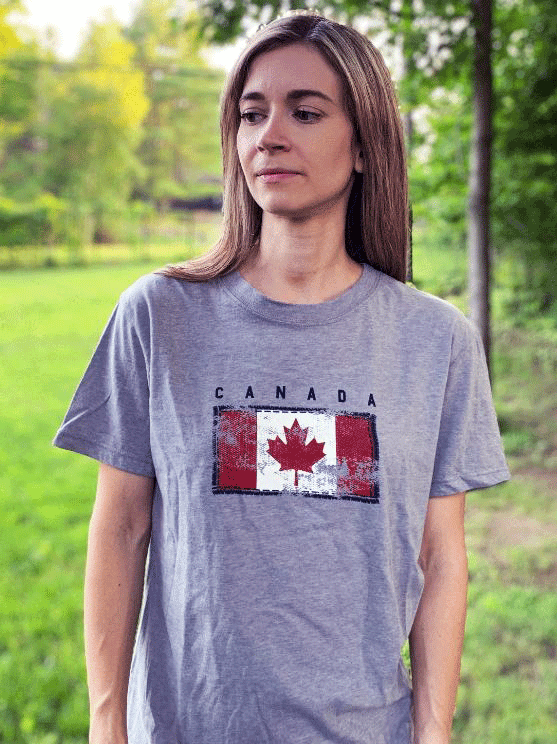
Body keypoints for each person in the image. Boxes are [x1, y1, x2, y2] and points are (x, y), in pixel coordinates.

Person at [54, 13, 510, 744]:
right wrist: (106, 724)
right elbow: (121, 526)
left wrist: (433, 731)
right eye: (250, 114)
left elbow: (440, 556)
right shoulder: (160, 315)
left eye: (304, 112)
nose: (269, 134)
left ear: (362, 145)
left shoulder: (434, 340)